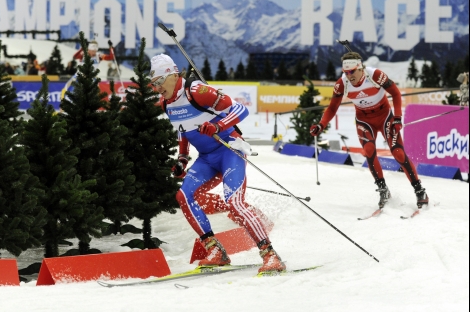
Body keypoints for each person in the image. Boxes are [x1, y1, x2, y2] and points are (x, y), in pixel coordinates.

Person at [149, 53, 285, 273]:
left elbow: (241, 109)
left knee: (235, 203)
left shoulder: (196, 92)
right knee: (183, 196)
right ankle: (215, 250)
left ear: (172, 75)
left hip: (229, 150)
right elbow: (183, 129)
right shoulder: (167, 103)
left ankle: (270, 255)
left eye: (158, 82)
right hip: (207, 159)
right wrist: (182, 159)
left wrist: (218, 126)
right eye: (153, 84)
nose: (156, 88)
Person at [310, 52, 428, 210]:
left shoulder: (375, 75)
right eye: (346, 72)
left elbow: (396, 93)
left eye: (352, 71)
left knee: (398, 153)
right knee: (369, 150)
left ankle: (419, 191)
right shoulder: (342, 84)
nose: (349, 75)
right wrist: (321, 125)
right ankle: (383, 191)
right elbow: (332, 108)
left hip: (384, 116)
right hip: (364, 120)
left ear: (360, 68)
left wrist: (398, 118)